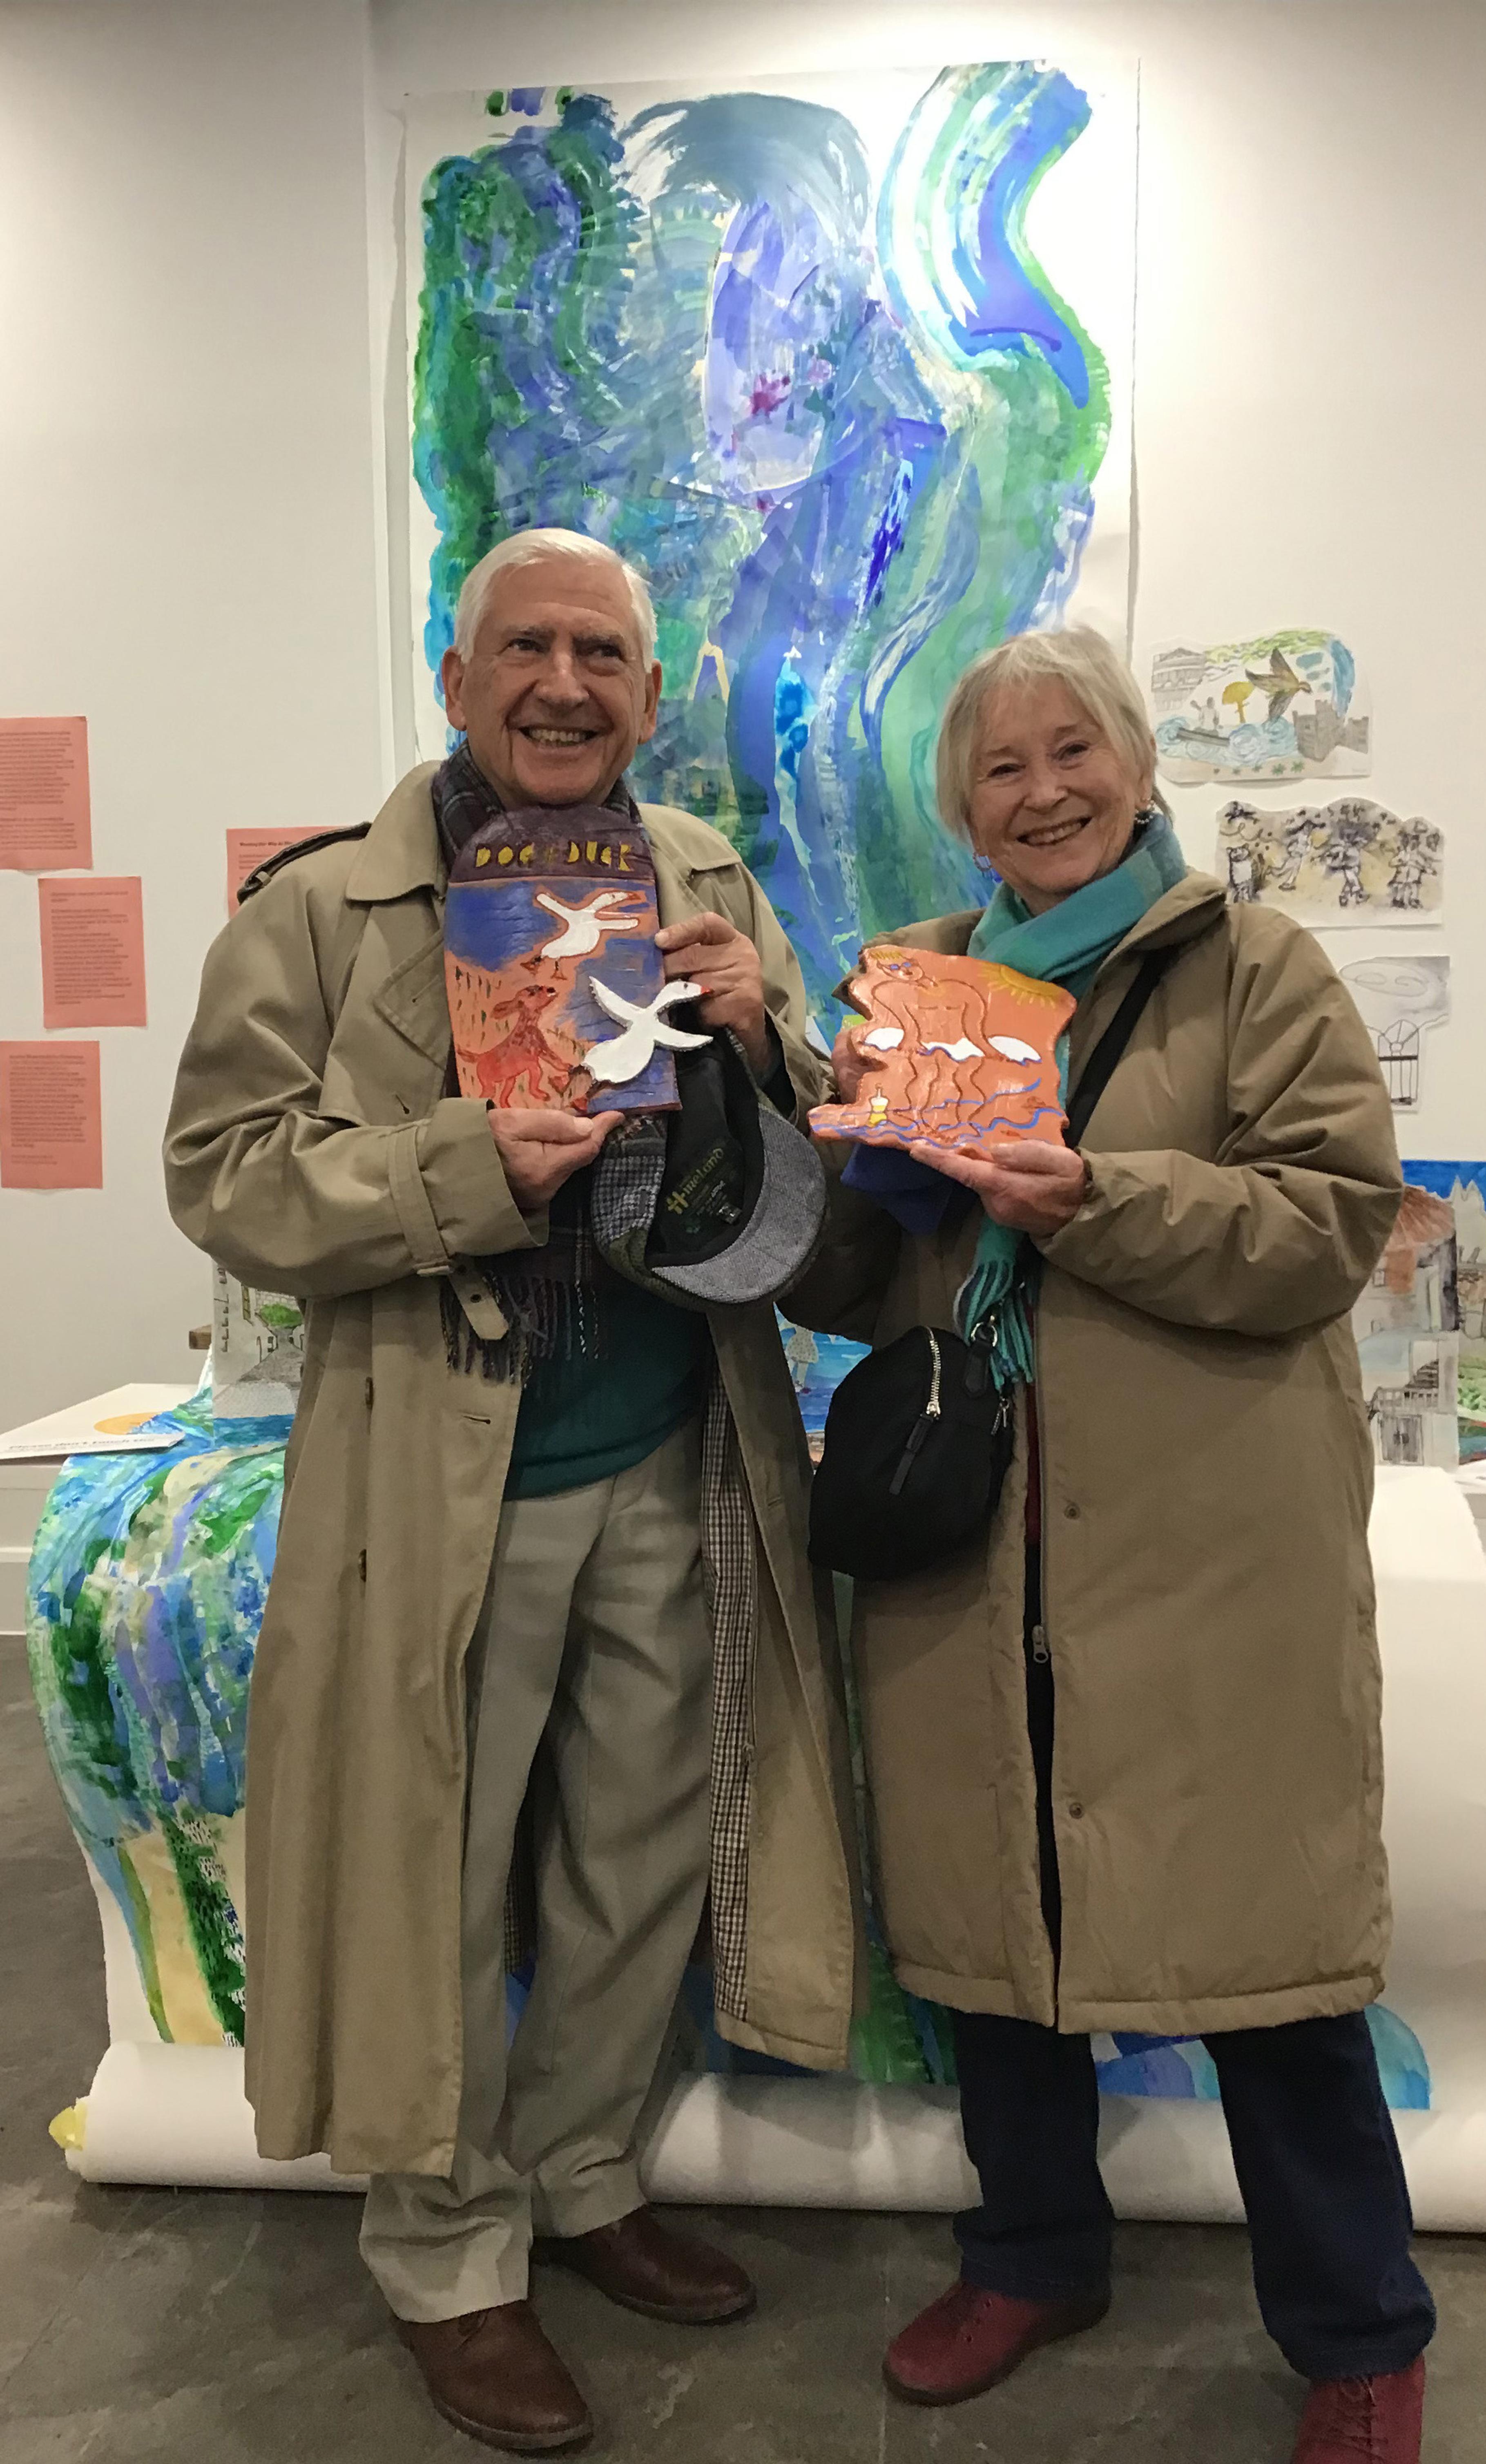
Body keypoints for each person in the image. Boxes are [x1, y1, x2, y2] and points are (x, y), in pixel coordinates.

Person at [164, 528, 861, 2457]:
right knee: (436, 1869)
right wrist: (473, 1165)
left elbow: (794, 1148)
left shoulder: (703, 875)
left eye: (604, 654)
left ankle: (579, 2173)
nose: (567, 683)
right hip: (440, 1464)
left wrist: (761, 1039)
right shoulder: (324, 907)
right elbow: (225, 1175)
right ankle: (449, 2249)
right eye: (527, 648)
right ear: (457, 677)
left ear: (646, 687)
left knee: (640, 1851)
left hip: (676, 1437)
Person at [785, 626, 1433, 2463]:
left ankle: (1361, 2329)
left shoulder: (1255, 969)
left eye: (1075, 751)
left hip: (1207, 1552)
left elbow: (1325, 1222)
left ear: (1141, 765)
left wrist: (1097, 1196)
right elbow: (858, 1275)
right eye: (1002, 768)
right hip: (977, 1547)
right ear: (962, 806)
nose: (1044, 790)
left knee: (1269, 1962)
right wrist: (823, 1142)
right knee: (1002, 1925)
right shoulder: (920, 990)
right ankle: (1033, 2251)